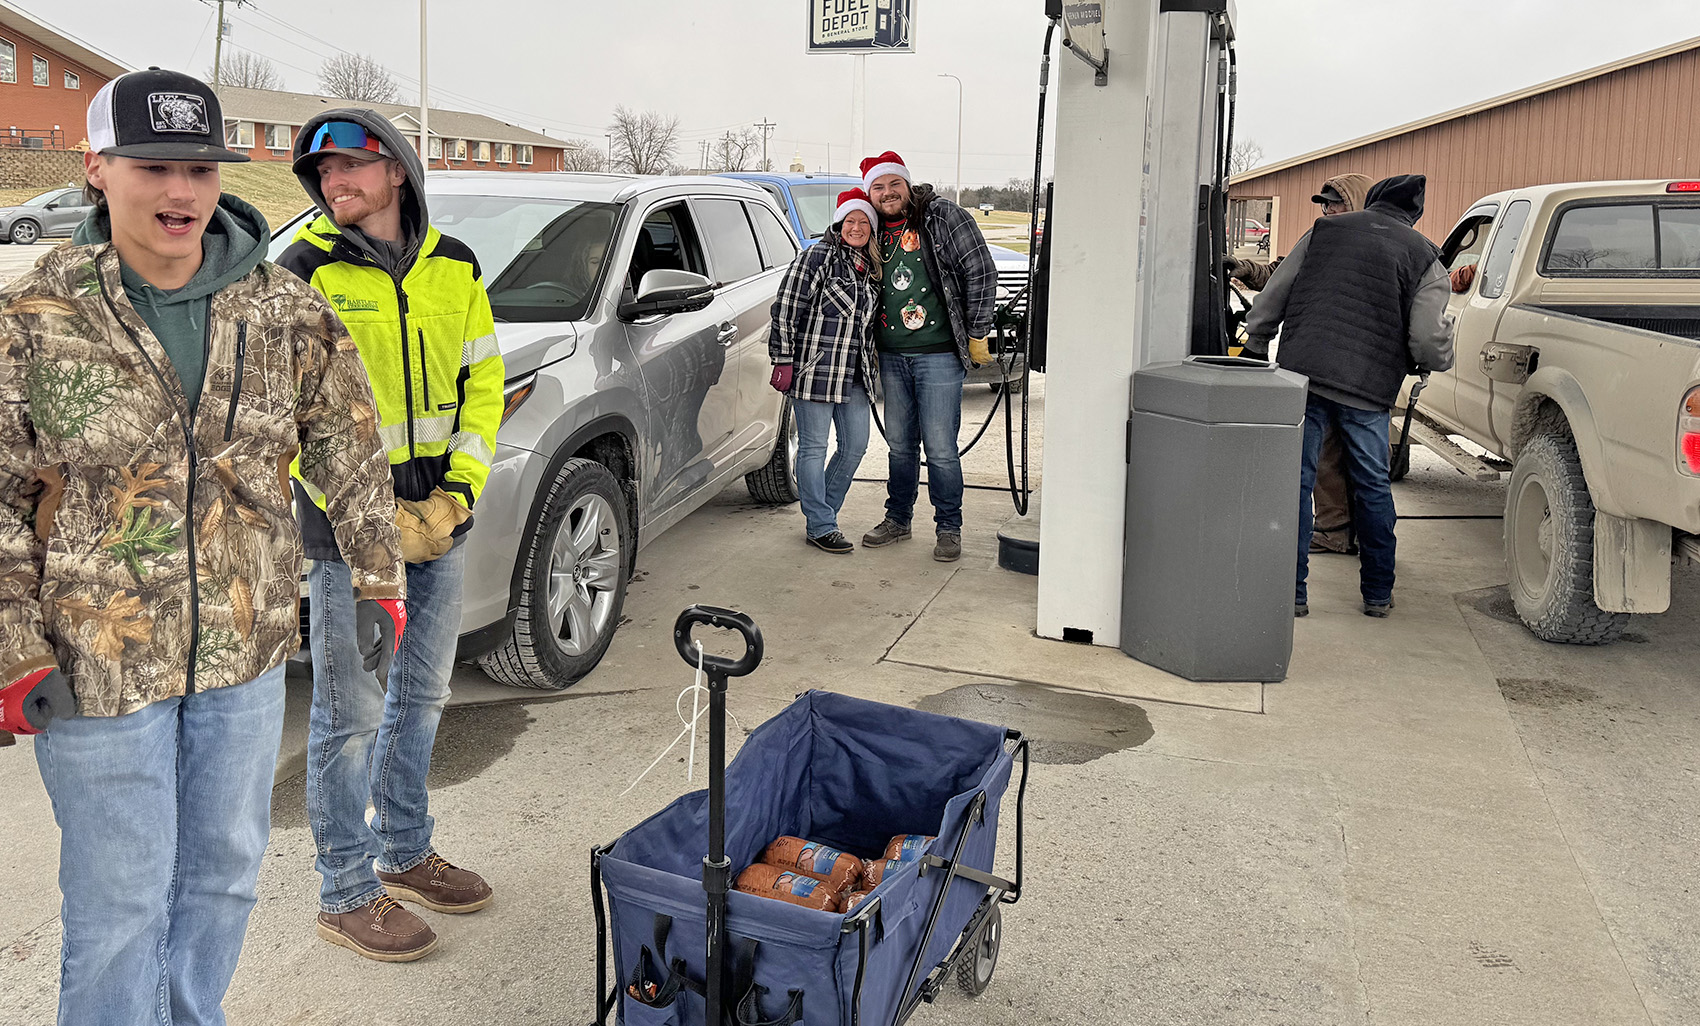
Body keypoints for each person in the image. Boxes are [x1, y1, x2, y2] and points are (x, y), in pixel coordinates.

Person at [0, 68, 405, 1024]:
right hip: (97, 660)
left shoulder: (282, 307)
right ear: (98, 169)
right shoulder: (34, 316)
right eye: (154, 167)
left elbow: (347, 444)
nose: (180, 193)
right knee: (120, 903)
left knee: (225, 874)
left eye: (200, 169)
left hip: (245, 648)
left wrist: (378, 578)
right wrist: (15, 647)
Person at [278, 109, 504, 962]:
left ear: (397, 171)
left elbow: (483, 383)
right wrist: (367, 513)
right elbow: (283, 418)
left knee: (426, 693)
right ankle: (345, 888)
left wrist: (456, 496)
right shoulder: (302, 271)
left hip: (441, 519)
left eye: (350, 168)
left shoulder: (455, 266)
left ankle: (405, 850)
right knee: (350, 712)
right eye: (322, 173)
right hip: (349, 532)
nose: (334, 183)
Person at [1244, 173, 1456, 619]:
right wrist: (1431, 360)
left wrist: (1257, 342)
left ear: (1372, 200)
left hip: (1305, 375)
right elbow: (1427, 340)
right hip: (1368, 388)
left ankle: (1293, 594)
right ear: (1415, 214)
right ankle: (1377, 594)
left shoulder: (1324, 232)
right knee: (1373, 486)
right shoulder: (1425, 257)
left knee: (1297, 483)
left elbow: (1274, 293)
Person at [856, 151, 998, 562]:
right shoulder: (872, 228)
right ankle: (898, 519)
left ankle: (948, 528)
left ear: (907, 184)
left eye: (893, 185)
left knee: (939, 447)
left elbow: (980, 270)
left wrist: (977, 332)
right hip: (891, 356)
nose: (887, 194)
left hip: (938, 355)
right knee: (899, 446)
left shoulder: (941, 216)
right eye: (878, 188)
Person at [1237, 172, 1373, 556]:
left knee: (1321, 454)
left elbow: (1281, 287)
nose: (1328, 210)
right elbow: (1282, 270)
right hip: (1371, 374)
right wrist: (1249, 269)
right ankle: (1367, 550)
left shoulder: (1322, 239)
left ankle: (1332, 533)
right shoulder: (1396, 244)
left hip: (1322, 365)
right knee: (1363, 460)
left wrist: (1258, 341)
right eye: (1325, 203)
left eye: (1337, 202)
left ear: (1358, 203)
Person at [769, 188, 882, 554]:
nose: (856, 227)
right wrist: (782, 358)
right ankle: (821, 523)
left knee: (855, 447)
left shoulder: (873, 270)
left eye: (864, 221)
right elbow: (786, 307)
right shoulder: (817, 257)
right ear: (839, 223)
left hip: (855, 374)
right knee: (814, 447)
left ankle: (823, 516)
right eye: (850, 220)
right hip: (816, 370)